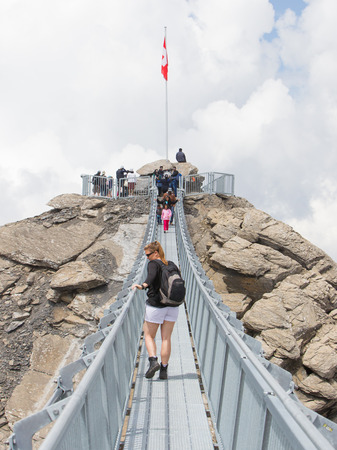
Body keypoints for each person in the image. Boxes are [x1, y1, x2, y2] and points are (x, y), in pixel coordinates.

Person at [132, 241, 180, 380]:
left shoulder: (153, 264)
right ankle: (164, 370)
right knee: (166, 338)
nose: (147, 258)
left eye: (148, 255)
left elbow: (151, 277)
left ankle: (153, 361)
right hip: (172, 305)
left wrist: (142, 286)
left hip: (156, 305)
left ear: (156, 253)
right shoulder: (171, 264)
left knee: (149, 335)